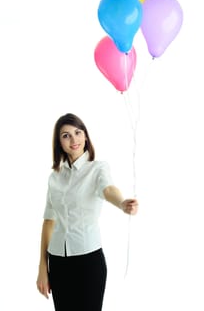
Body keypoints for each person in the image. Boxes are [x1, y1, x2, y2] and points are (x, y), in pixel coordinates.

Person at [36, 113, 138, 311]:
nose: (73, 139)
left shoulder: (97, 169)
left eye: (77, 132)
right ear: (59, 142)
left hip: (88, 262)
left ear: (85, 136)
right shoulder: (54, 177)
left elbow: (108, 189)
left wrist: (122, 203)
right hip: (57, 262)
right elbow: (49, 221)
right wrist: (42, 266)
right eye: (65, 135)